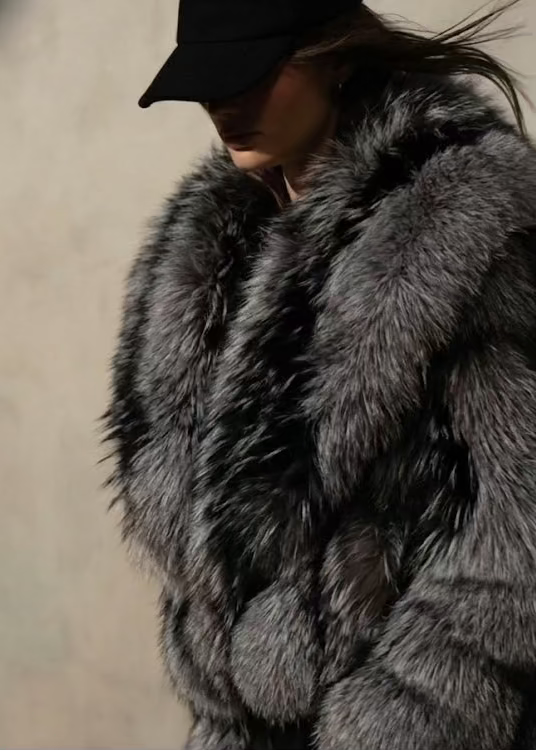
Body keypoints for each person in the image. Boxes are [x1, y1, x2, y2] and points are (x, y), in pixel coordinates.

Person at [105, 0, 536, 748]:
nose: (222, 103)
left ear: (332, 56)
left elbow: (516, 534)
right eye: (206, 82)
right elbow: (209, 544)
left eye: (249, 75)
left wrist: (399, 716)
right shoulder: (205, 253)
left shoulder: (463, 225)